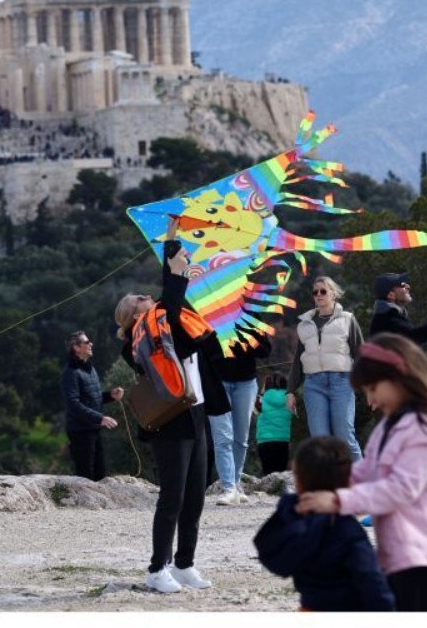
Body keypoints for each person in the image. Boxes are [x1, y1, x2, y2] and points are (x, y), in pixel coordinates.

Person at [296, 334, 427, 612]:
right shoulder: (390, 425)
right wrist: (329, 488)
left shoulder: (424, 428)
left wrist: (340, 502)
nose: (371, 399)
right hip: (404, 549)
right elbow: (367, 469)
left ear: (400, 377)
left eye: (373, 387)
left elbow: (401, 488)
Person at [114, 220, 230, 594]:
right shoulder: (141, 338)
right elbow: (172, 296)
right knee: (173, 496)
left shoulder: (165, 324)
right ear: (131, 317)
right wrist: (175, 269)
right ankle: (156, 568)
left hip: (193, 414)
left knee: (195, 494)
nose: (145, 298)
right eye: (138, 300)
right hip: (170, 420)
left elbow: (171, 297)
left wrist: (171, 240)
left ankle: (184, 563)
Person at [254, 436, 394, 611]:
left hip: (309, 608)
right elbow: (370, 579)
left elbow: (269, 552)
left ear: (298, 482)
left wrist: (289, 506)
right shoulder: (347, 529)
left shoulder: (295, 522)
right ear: (349, 481)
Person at [285, 276, 364, 461]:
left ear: (333, 294)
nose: (318, 295)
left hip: (342, 382)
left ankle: (364, 481)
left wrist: (370, 387)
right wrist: (290, 391)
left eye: (323, 291)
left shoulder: (347, 320)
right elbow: (298, 360)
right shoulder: (304, 324)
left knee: (345, 437)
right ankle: (329, 485)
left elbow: (361, 354)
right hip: (313, 385)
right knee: (320, 441)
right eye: (315, 292)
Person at [209, 333, 270, 505]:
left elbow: (266, 350)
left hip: (246, 383)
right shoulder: (209, 315)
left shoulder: (249, 318)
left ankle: (236, 483)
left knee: (241, 439)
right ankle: (228, 488)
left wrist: (245, 341)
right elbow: (201, 350)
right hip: (217, 383)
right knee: (222, 438)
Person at [60, 330, 124, 482]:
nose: (91, 344)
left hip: (93, 429)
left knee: (100, 474)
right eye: (87, 342)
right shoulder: (70, 373)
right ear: (76, 348)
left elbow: (92, 399)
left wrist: (110, 396)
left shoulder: (90, 369)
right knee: (85, 478)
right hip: (80, 432)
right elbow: (73, 404)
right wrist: (100, 418)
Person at [369, 271, 427, 344]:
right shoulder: (387, 318)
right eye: (402, 285)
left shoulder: (387, 316)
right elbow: (415, 337)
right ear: (391, 295)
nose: (407, 286)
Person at [255, 373, 292, 475]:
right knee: (281, 475)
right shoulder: (289, 399)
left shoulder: (263, 399)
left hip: (264, 442)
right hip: (283, 441)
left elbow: (255, 409)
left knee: (267, 473)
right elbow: (293, 412)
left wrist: (263, 390)